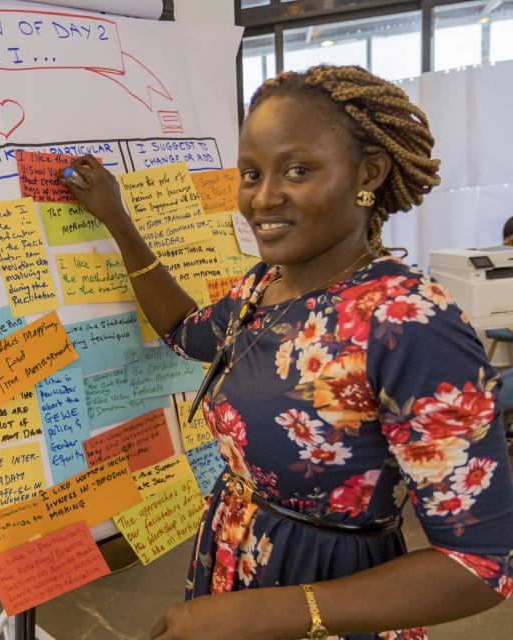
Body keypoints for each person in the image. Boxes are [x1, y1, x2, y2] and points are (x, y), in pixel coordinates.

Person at [59, 65, 513, 640]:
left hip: (331, 599)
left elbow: (478, 566)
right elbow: (183, 331)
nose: (263, 197)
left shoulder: (408, 322)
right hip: (236, 560)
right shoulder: (264, 287)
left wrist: (259, 614)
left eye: (297, 170)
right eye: (251, 174)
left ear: (368, 173)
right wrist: (116, 220)